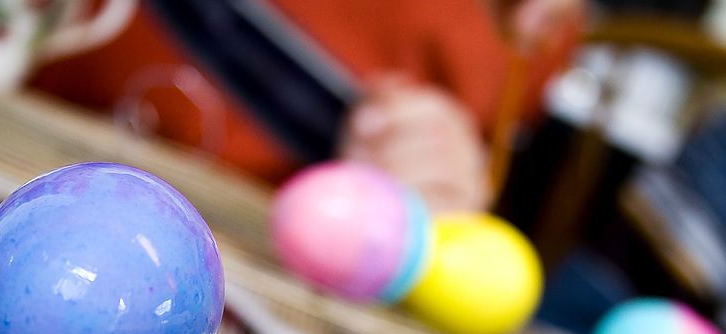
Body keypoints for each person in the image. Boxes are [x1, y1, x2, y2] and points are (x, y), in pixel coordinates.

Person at [30, 0, 584, 214]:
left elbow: (443, 188)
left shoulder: (529, 32)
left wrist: (425, 182)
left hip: (252, 263)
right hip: (23, 138)